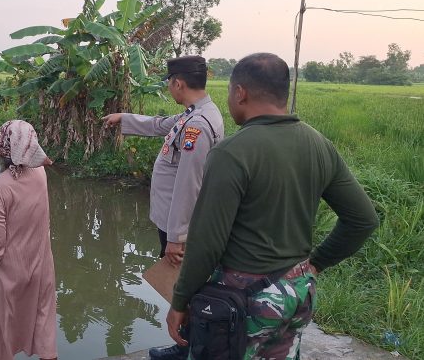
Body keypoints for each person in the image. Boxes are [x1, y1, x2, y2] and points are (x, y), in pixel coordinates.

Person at [166, 53, 379, 359]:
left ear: (241, 93)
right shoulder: (319, 143)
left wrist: (180, 300)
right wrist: (315, 263)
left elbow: (206, 244)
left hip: (244, 300)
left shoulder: (232, 153)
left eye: (229, 91)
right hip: (298, 290)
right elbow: (363, 219)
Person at [102, 55, 224, 360]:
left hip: (179, 226)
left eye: (170, 82)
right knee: (182, 288)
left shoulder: (198, 125)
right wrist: (124, 118)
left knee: (186, 289)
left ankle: (189, 348)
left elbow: (188, 184)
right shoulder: (193, 114)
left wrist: (176, 237)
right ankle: (188, 343)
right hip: (171, 222)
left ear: (178, 83)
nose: (170, 88)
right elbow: (161, 124)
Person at [0, 120, 58, 360]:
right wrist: (7, 148)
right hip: (40, 268)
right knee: (44, 327)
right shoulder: (40, 174)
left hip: (8, 274)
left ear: (4, 147)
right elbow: (42, 159)